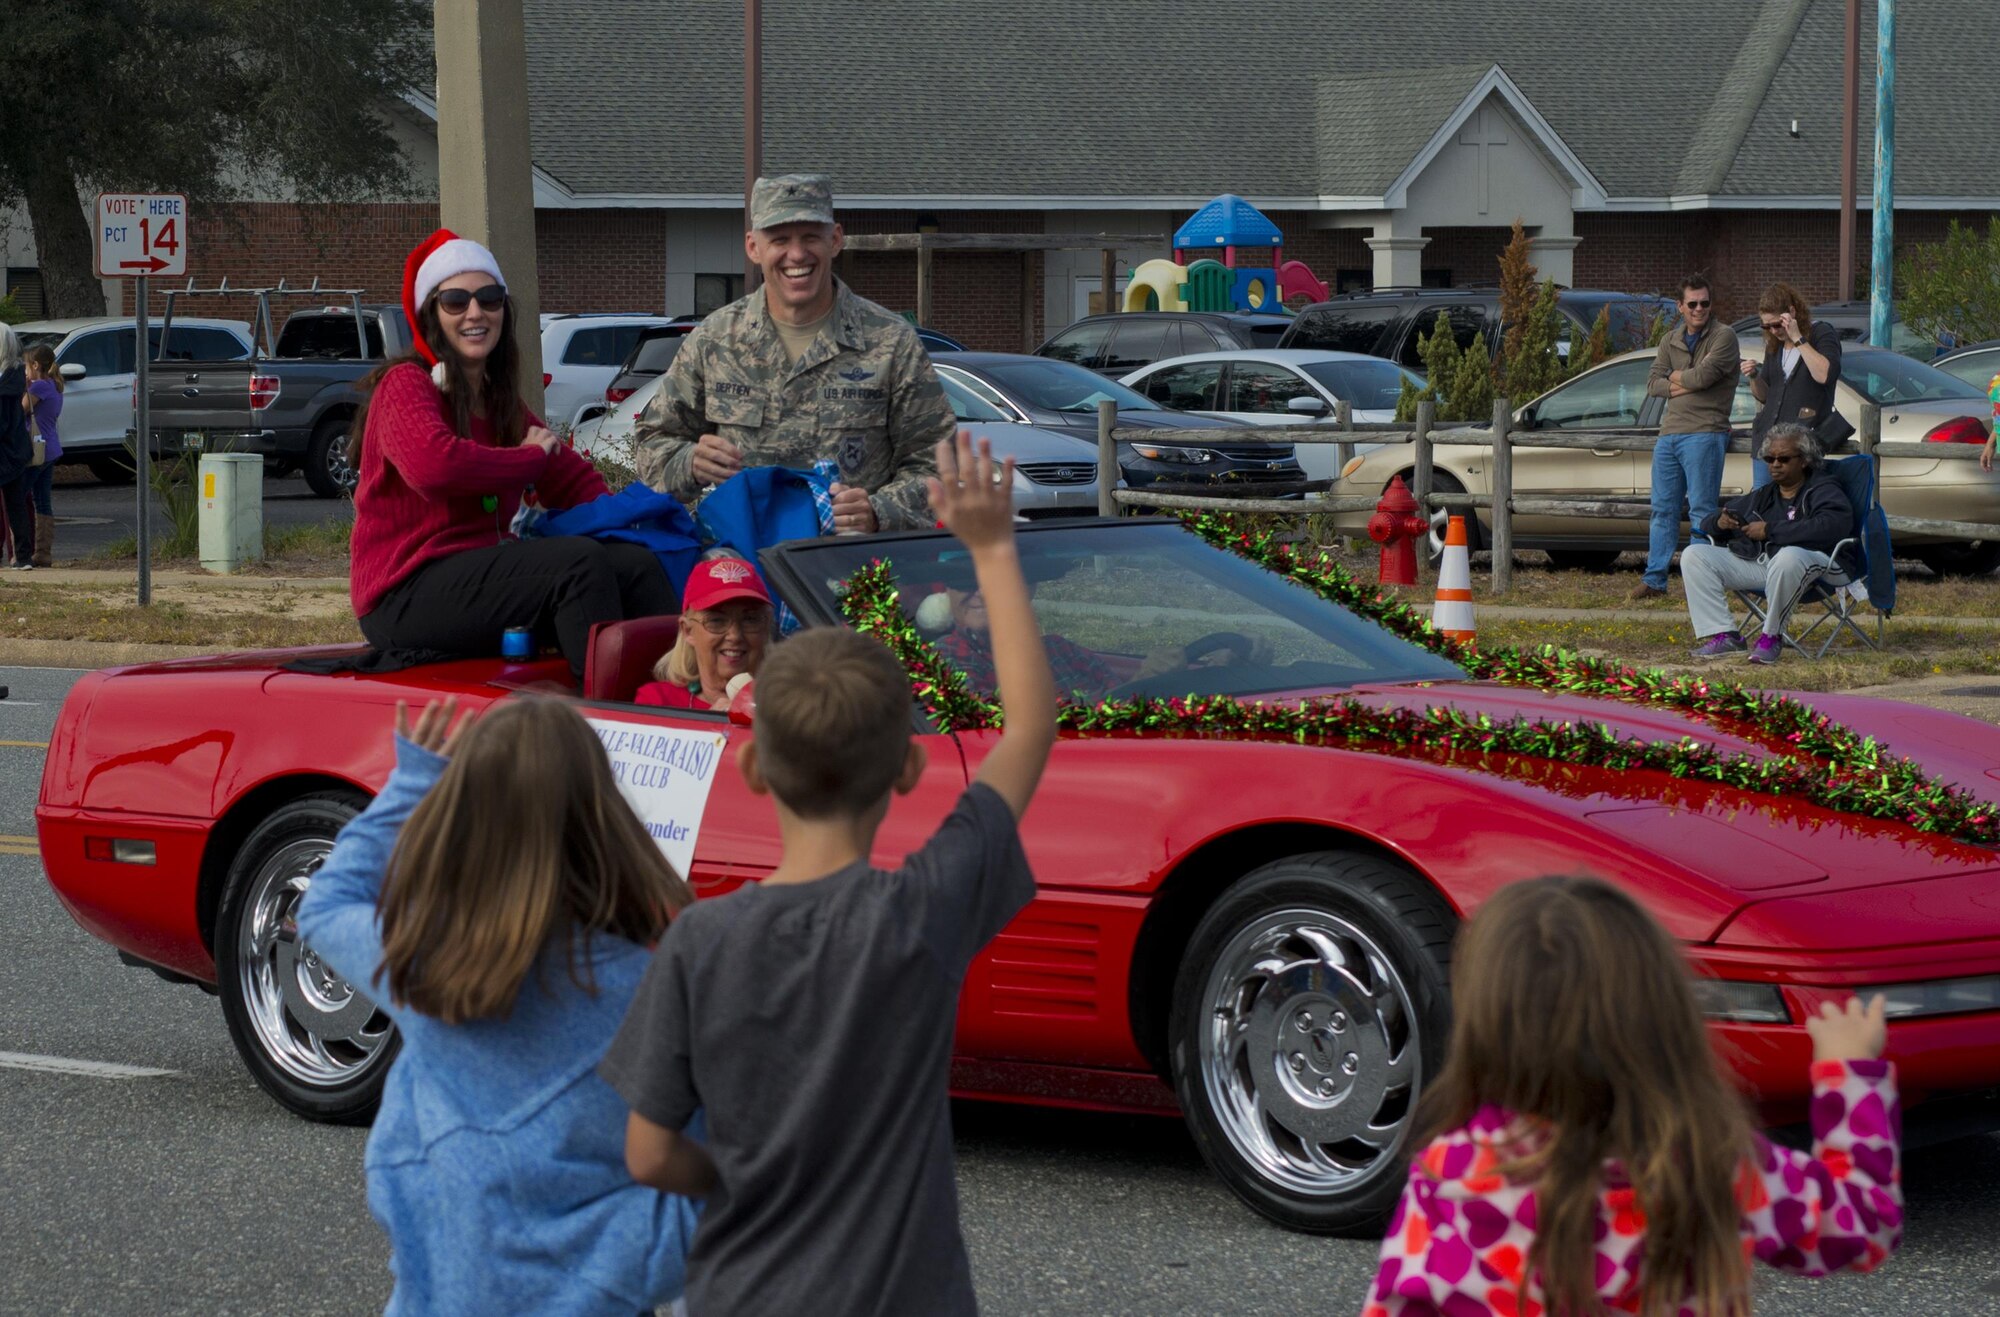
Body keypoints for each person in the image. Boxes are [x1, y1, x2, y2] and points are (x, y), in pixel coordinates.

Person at [601, 432, 1057, 1316]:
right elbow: (1029, 730)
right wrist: (993, 550)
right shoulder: (922, 914)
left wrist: (738, 1186)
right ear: (908, 772)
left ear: (752, 768)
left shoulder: (697, 940)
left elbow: (649, 1153)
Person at [293, 697, 701, 1316]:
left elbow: (324, 906)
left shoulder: (431, 970)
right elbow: (710, 1185)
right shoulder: (653, 992)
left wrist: (409, 789)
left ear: (463, 830)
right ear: (604, 824)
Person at [1362, 875, 1900, 1317]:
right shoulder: (1713, 1161)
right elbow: (1862, 1226)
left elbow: (1395, 1304)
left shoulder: (1453, 1170)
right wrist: (1847, 1072)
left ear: (1485, 1026)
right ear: (1663, 1017)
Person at [349, 229, 677, 678]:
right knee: (576, 566)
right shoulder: (406, 384)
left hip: (480, 577)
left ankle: (674, 696)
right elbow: (435, 467)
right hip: (403, 591)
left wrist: (627, 522)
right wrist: (526, 461)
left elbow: (574, 480)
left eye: (489, 298)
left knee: (635, 563)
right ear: (431, 315)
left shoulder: (499, 402)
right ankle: (612, 722)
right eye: (455, 302)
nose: (475, 312)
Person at [633, 173, 955, 533]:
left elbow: (940, 465)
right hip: (743, 563)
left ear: (834, 240)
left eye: (810, 237)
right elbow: (651, 446)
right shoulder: (716, 340)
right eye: (780, 239)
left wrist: (879, 511)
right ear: (754, 247)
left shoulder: (891, 342)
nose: (797, 254)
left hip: (853, 567)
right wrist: (690, 463)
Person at [1681, 423, 1852, 665]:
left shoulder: (1824, 489)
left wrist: (1771, 530)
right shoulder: (1765, 494)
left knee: (1789, 556)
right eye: (1769, 459)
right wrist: (1721, 522)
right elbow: (1708, 523)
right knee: (1694, 554)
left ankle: (1771, 636)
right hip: (1770, 565)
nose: (1775, 465)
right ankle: (1726, 635)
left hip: (1824, 564)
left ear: (1803, 460)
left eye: (1783, 458)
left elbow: (1833, 527)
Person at [1633, 275, 1739, 600]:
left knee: (1701, 510)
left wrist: (1676, 377)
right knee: (1662, 510)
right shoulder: (1670, 339)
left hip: (1705, 433)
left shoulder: (1724, 336)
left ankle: (1699, 582)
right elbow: (1652, 383)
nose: (1698, 309)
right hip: (1669, 436)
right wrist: (1686, 381)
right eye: (1691, 304)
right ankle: (1655, 580)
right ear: (1680, 306)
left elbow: (1705, 376)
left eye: (1704, 303)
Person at [635, 556, 774, 709]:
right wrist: (710, 726)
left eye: (750, 619)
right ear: (687, 631)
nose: (734, 636)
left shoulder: (790, 702)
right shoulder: (659, 701)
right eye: (716, 621)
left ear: (766, 627)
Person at [1741, 281, 1843, 488]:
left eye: (1777, 324)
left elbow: (1825, 374)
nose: (1773, 330)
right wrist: (1753, 376)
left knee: (1797, 505)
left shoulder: (1821, 333)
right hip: (1768, 442)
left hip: (1800, 445)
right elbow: (1764, 396)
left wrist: (1797, 337)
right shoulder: (1774, 345)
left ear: (1792, 312)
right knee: (1763, 502)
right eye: (1766, 326)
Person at [22, 344, 64, 567]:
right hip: (51, 448)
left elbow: (22, 408)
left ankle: (23, 550)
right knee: (42, 501)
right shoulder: (54, 385)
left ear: (36, 366)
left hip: (37, 450)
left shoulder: (39, 386)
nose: (25, 371)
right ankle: (43, 552)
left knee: (19, 496)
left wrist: (24, 387)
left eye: (26, 367)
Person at [0, 326, 34, 570]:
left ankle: (21, 556)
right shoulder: (15, 375)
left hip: (6, 449)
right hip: (17, 448)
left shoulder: (5, 381)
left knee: (15, 505)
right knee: (16, 504)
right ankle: (23, 556)